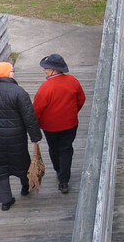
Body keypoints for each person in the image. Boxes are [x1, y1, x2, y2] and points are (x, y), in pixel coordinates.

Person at [0, 62, 41, 210]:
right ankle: (26, 187)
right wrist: (35, 136)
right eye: (11, 71)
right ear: (6, 74)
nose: (13, 73)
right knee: (21, 161)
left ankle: (6, 201)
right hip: (16, 136)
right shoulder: (19, 92)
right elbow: (29, 117)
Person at [32, 54, 86, 194]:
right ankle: (64, 180)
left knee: (54, 148)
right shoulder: (73, 81)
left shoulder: (45, 88)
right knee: (66, 149)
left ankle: (58, 170)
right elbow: (81, 99)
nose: (44, 70)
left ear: (53, 70)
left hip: (50, 128)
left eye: (46, 68)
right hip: (70, 124)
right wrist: (73, 112)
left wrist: (35, 125)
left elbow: (36, 110)